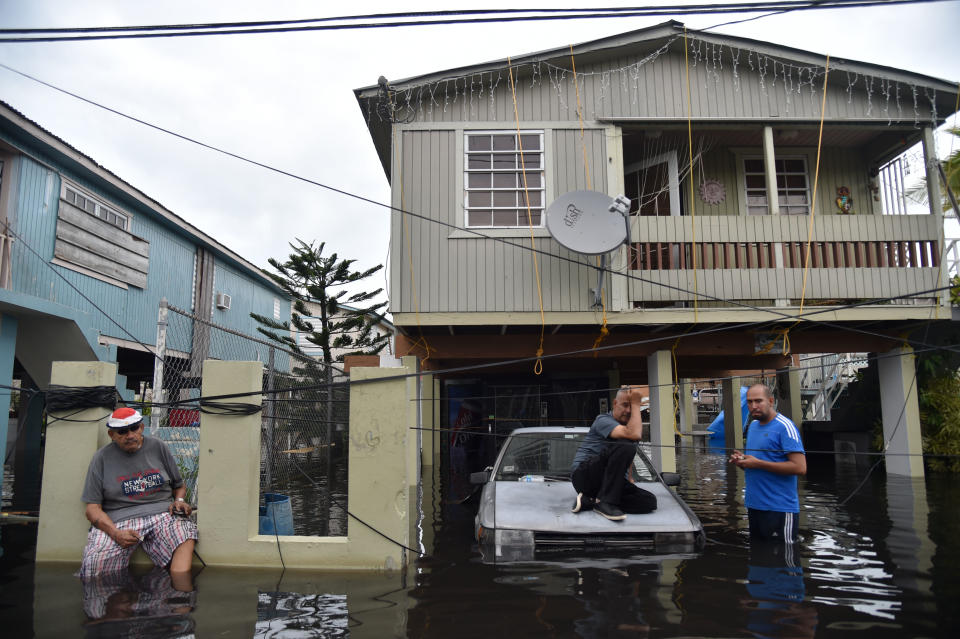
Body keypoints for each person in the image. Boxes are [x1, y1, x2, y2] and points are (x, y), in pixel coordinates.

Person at [79, 407, 198, 578]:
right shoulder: (101, 458)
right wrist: (115, 533)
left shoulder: (158, 447)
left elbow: (179, 485)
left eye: (134, 428)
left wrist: (179, 500)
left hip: (161, 514)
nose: (130, 435)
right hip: (119, 521)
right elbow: (92, 509)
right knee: (93, 566)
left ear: (141, 428)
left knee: (185, 532)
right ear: (111, 434)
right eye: (122, 432)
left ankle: (179, 592)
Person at [729, 384, 806, 543]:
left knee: (784, 561)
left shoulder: (785, 427)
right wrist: (743, 462)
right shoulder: (753, 426)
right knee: (759, 558)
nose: (753, 406)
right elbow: (757, 462)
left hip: (779, 509)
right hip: (754, 505)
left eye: (758, 401)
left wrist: (757, 463)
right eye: (749, 402)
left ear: (771, 401)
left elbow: (800, 467)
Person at [570, 386, 657, 521]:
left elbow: (626, 461)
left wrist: (629, 481)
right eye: (625, 405)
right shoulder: (603, 420)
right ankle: (606, 503)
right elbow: (633, 435)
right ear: (615, 404)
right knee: (626, 444)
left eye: (632, 407)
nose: (628, 410)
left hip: (607, 484)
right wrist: (635, 402)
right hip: (585, 476)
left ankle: (592, 501)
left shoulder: (629, 429)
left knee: (649, 501)